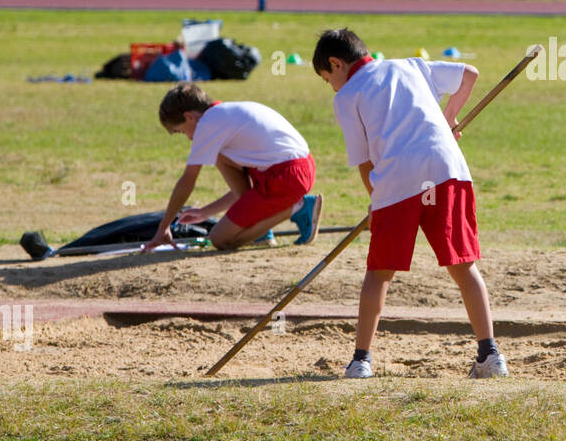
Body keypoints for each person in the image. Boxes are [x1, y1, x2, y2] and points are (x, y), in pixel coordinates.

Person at [312, 28, 507, 379]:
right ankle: (490, 354)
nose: (332, 87)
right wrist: (449, 118)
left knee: (379, 272)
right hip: (447, 169)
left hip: (397, 179)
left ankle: (361, 360)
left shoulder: (346, 97)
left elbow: (364, 162)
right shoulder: (411, 65)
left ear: (335, 63)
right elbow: (469, 74)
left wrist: (376, 202)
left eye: (328, 80)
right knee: (464, 265)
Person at [146, 83, 322, 252]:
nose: (190, 138)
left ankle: (298, 208)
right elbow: (247, 192)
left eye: (182, 131)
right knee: (219, 155)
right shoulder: (224, 114)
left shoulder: (207, 124)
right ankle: (259, 229)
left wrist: (164, 227)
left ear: (189, 117)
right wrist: (205, 212)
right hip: (300, 169)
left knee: (220, 239)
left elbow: (187, 181)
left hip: (287, 177)